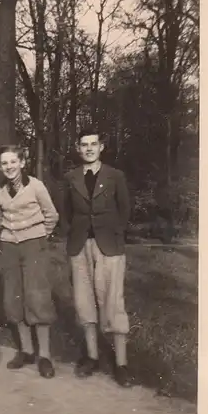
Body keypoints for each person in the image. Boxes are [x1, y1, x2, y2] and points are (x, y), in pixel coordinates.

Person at [63, 127, 132, 387]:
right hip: (80, 245)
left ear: (101, 147)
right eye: (84, 144)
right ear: (78, 148)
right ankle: (92, 357)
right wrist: (73, 236)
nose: (89, 148)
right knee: (84, 301)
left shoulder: (115, 176)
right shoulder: (71, 177)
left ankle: (121, 364)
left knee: (112, 300)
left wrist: (115, 234)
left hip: (109, 247)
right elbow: (66, 212)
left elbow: (124, 209)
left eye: (93, 144)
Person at [0, 144, 59, 379]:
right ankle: (26, 351)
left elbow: (52, 215)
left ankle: (45, 356)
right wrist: (10, 236)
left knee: (37, 296)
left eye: (13, 161)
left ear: (22, 162)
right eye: (5, 163)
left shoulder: (36, 186)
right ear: (0, 166)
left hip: (34, 246)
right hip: (9, 247)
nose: (9, 166)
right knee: (13, 297)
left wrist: (39, 235)